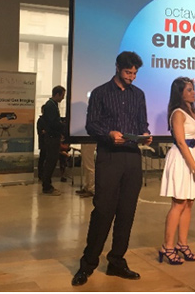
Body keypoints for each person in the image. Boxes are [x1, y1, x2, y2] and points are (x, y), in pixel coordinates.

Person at [72, 51, 152, 286]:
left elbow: (142, 123)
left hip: (132, 157)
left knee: (127, 212)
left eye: (135, 73)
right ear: (117, 67)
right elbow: (91, 125)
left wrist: (145, 134)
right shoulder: (100, 93)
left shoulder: (139, 95)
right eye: (128, 72)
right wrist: (108, 134)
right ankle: (87, 264)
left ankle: (117, 261)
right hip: (109, 156)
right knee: (103, 211)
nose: (131, 77)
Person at [159, 77, 195, 265]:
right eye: (189, 90)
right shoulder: (178, 113)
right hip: (181, 159)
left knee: (189, 203)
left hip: (191, 156)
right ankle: (167, 246)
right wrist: (194, 166)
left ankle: (182, 243)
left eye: (193, 89)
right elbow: (181, 142)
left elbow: (193, 140)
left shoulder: (191, 112)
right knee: (179, 203)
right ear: (179, 93)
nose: (193, 92)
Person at [41, 86, 66, 196]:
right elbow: (53, 123)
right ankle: (47, 186)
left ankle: (47, 185)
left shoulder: (53, 105)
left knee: (51, 162)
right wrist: (63, 126)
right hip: (52, 138)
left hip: (53, 137)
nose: (63, 98)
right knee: (50, 162)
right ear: (57, 94)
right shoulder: (50, 106)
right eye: (62, 95)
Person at [36, 105, 46, 181]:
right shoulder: (40, 120)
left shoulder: (50, 120)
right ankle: (40, 174)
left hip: (49, 142)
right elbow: (40, 131)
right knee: (42, 158)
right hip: (43, 142)